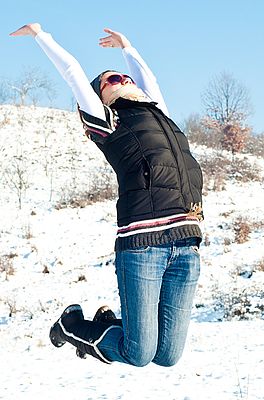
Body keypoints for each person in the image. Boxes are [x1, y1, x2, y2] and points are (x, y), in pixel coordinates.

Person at [10, 23, 204, 367]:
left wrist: (127, 48)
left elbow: (150, 82)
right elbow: (72, 73)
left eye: (125, 78)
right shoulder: (108, 122)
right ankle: (73, 328)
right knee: (139, 353)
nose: (124, 81)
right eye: (113, 80)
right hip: (144, 246)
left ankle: (106, 329)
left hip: (186, 243)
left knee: (168, 356)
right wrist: (42, 36)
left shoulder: (161, 115)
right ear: (100, 96)